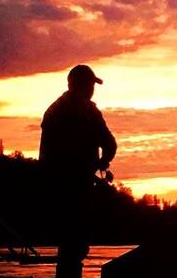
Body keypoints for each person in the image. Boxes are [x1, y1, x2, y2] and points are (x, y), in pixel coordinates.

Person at [39, 64, 117, 278]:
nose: (93, 90)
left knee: (66, 243)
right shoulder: (88, 110)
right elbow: (109, 144)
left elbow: (46, 154)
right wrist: (103, 162)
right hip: (79, 187)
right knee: (76, 243)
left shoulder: (53, 110)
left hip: (54, 187)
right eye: (91, 85)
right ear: (83, 85)